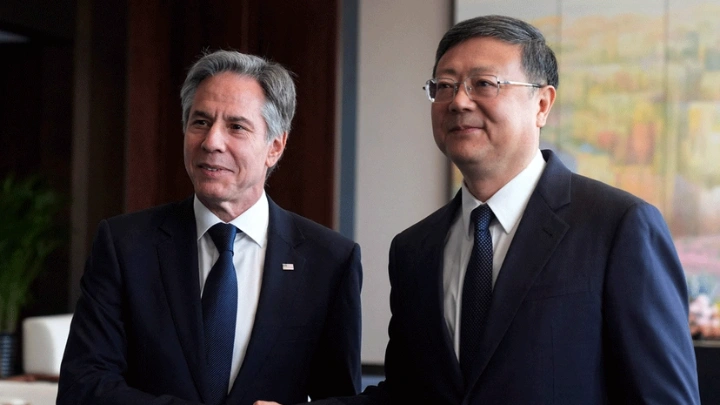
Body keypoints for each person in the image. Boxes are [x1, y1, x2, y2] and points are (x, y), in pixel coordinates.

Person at [257, 14, 700, 405]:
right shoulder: (415, 249)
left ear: (542, 104)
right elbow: (407, 395)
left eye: (484, 84)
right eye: (444, 86)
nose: (459, 101)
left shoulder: (618, 227)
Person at [58, 50, 362, 405]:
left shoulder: (329, 261)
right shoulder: (125, 245)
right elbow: (83, 386)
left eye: (236, 126)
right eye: (200, 122)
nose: (211, 142)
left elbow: (341, 397)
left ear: (275, 147)